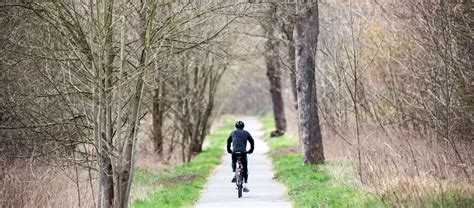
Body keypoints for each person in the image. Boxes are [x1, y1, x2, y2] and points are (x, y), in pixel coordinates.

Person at [227, 120, 254, 192]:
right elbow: (252, 141)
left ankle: (234, 174)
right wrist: (251, 150)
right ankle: (245, 185)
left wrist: (229, 150)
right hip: (243, 152)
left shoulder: (233, 133)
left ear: (236, 126)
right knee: (245, 168)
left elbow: (228, 141)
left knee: (233, 162)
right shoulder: (246, 133)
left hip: (234, 152)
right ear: (243, 126)